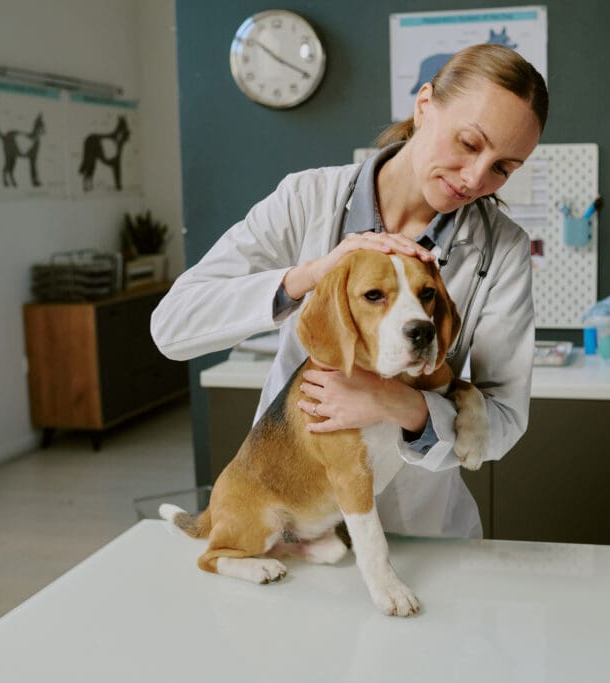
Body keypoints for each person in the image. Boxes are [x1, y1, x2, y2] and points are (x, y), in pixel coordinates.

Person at [151, 43, 548, 539]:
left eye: (503, 168)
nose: (475, 178)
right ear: (424, 105)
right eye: (468, 143)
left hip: (419, 526)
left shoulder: (501, 247)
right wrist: (310, 276)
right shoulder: (306, 200)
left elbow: (505, 418)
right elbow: (172, 328)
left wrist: (399, 404)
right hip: (294, 509)